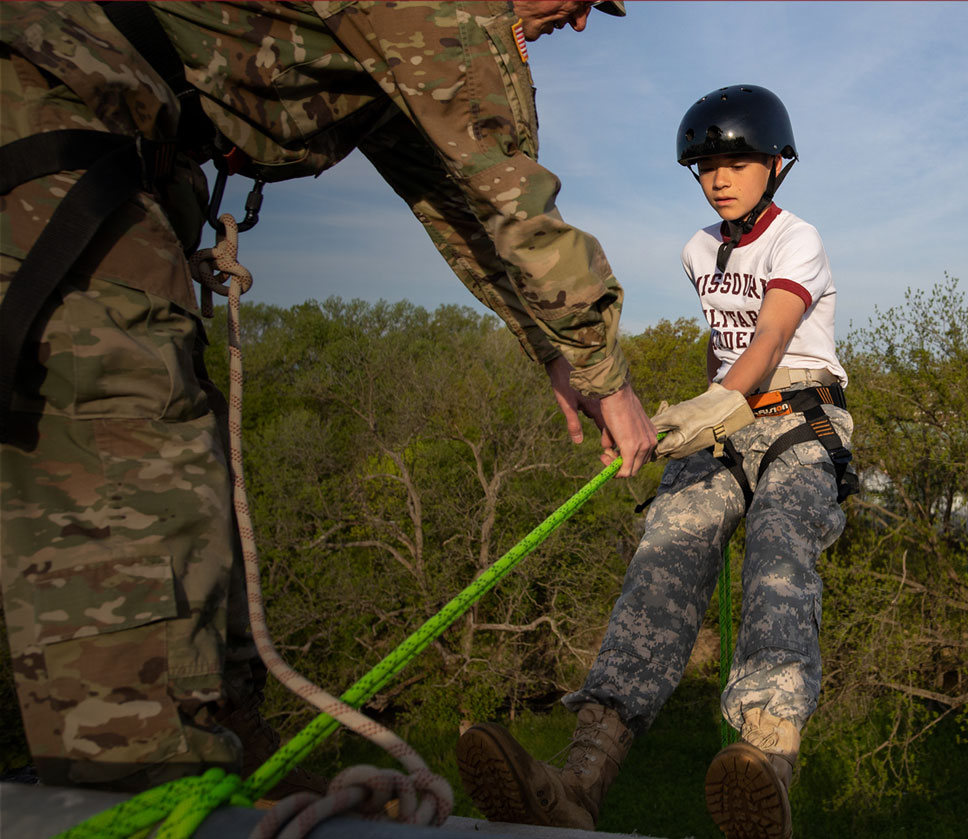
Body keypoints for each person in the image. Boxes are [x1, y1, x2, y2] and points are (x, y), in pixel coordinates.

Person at [0, 0, 655, 794]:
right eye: (585, 0)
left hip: (93, 128)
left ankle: (228, 749)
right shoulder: (449, 10)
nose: (578, 23)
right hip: (50, 104)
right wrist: (604, 374)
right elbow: (508, 191)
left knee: (187, 464)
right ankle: (138, 784)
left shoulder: (396, 42)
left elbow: (452, 196)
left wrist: (554, 351)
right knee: (125, 452)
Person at [457, 83, 856, 839]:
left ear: (776, 164)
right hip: (724, 417)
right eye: (706, 164)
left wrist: (721, 403)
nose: (719, 175)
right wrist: (692, 412)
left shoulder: (797, 237)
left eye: (736, 160)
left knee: (778, 546)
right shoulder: (697, 248)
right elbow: (723, 339)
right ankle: (581, 778)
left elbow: (770, 338)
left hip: (798, 417)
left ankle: (766, 756)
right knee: (663, 555)